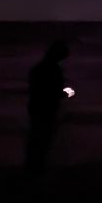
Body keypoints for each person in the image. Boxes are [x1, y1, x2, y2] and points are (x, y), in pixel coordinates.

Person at [25, 40, 72, 175]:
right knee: (43, 138)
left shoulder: (37, 69)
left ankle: (33, 168)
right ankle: (38, 168)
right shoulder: (54, 70)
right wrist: (68, 93)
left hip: (35, 107)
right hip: (47, 109)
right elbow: (54, 93)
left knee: (36, 137)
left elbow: (36, 90)